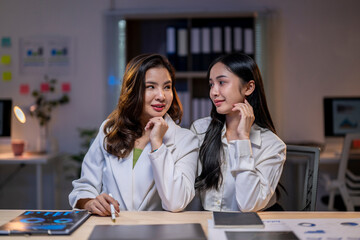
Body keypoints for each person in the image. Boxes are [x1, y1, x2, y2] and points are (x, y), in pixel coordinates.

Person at [69, 53, 199, 215]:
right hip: (111, 229)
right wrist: (90, 203)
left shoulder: (186, 140)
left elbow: (176, 202)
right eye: (151, 86)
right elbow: (84, 187)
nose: (161, 96)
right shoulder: (110, 131)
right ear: (133, 91)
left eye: (167, 87)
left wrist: (157, 144)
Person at [190, 52, 286, 212]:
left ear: (248, 87)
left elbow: (249, 205)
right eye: (211, 84)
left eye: (222, 82)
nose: (213, 92)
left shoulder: (272, 145)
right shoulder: (200, 131)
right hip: (208, 225)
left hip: (252, 229)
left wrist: (243, 140)